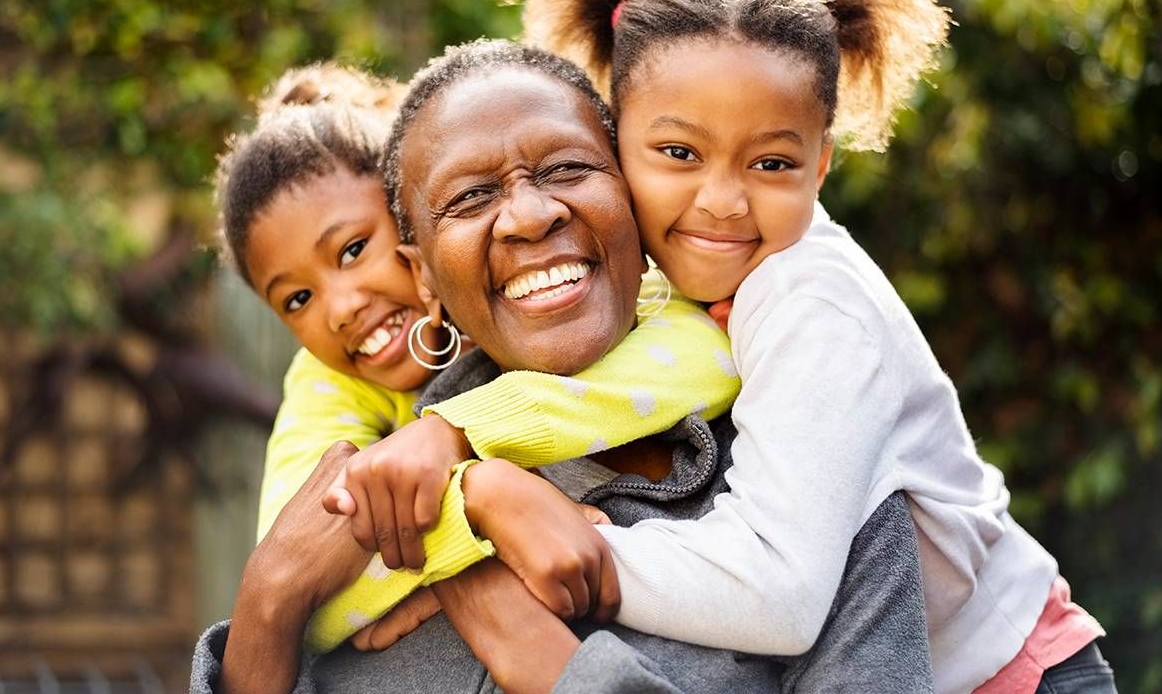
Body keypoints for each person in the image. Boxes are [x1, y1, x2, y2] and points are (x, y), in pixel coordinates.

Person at [488, 0, 1116, 694]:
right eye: (679, 153)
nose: (721, 200)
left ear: (820, 167)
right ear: (614, 141)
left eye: (772, 162)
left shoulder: (809, 301)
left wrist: (590, 549)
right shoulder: (659, 285)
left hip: (1013, 675)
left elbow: (780, 594)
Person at [191, 39, 934, 694]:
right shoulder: (380, 506)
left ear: (636, 199)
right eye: (471, 196)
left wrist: (545, 660)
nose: (528, 214)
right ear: (423, 276)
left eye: (569, 168)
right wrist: (271, 600)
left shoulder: (814, 487)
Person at [212, 61, 741, 653]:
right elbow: (297, 562)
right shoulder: (326, 382)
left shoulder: (606, 284)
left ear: (413, 220)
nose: (339, 307)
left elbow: (709, 355)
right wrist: (474, 519)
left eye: (356, 248)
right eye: (297, 298)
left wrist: (461, 435)